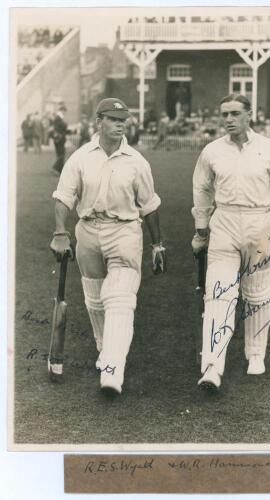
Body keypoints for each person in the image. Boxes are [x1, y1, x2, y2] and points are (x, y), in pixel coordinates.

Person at [49, 98, 166, 397]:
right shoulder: (80, 158)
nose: (120, 124)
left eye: (123, 119)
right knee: (95, 298)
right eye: (114, 119)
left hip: (124, 231)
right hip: (87, 230)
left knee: (120, 299)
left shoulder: (137, 161)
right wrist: (60, 233)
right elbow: (64, 197)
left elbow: (149, 206)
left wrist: (157, 245)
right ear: (99, 121)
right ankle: (105, 349)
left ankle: (113, 370)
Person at [191, 94, 270, 391]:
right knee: (219, 293)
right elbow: (201, 190)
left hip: (261, 224)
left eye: (234, 113)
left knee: (257, 294)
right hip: (224, 223)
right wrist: (201, 230)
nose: (228, 119)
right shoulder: (212, 151)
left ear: (249, 115)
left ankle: (256, 354)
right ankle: (212, 366)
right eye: (224, 113)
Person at [52, 104, 69, 174]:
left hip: (58, 139)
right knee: (61, 154)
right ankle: (55, 168)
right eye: (64, 111)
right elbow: (61, 128)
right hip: (59, 139)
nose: (65, 113)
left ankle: (60, 170)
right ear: (61, 110)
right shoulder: (58, 118)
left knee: (60, 154)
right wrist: (66, 126)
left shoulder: (58, 118)